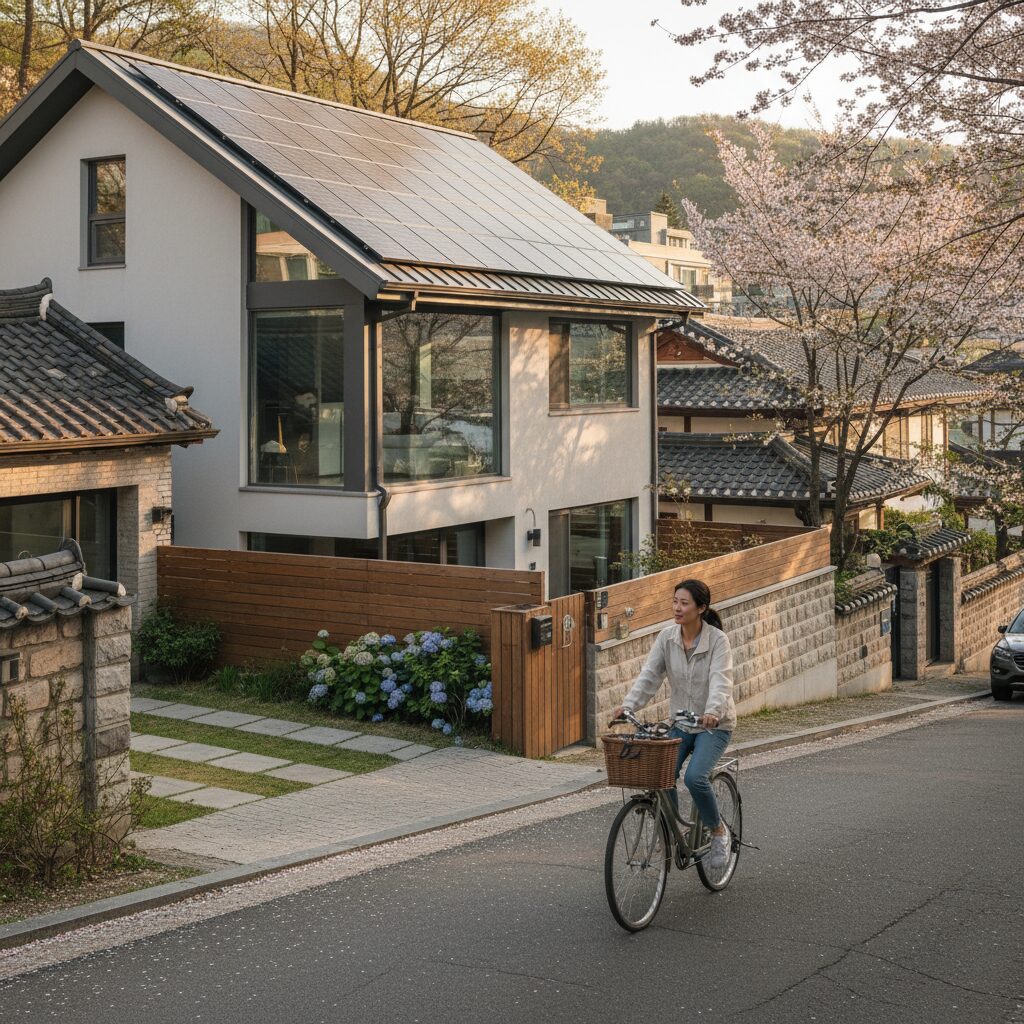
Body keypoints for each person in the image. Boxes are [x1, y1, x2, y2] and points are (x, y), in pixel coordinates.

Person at [612, 579, 736, 868]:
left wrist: (713, 711)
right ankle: (675, 829)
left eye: (684, 603)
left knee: (695, 778)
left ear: (701, 608)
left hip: (714, 725)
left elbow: (721, 680)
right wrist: (627, 706)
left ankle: (718, 831)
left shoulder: (718, 640)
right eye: (675, 601)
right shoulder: (667, 637)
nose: (677, 608)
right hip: (680, 721)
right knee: (660, 773)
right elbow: (649, 676)